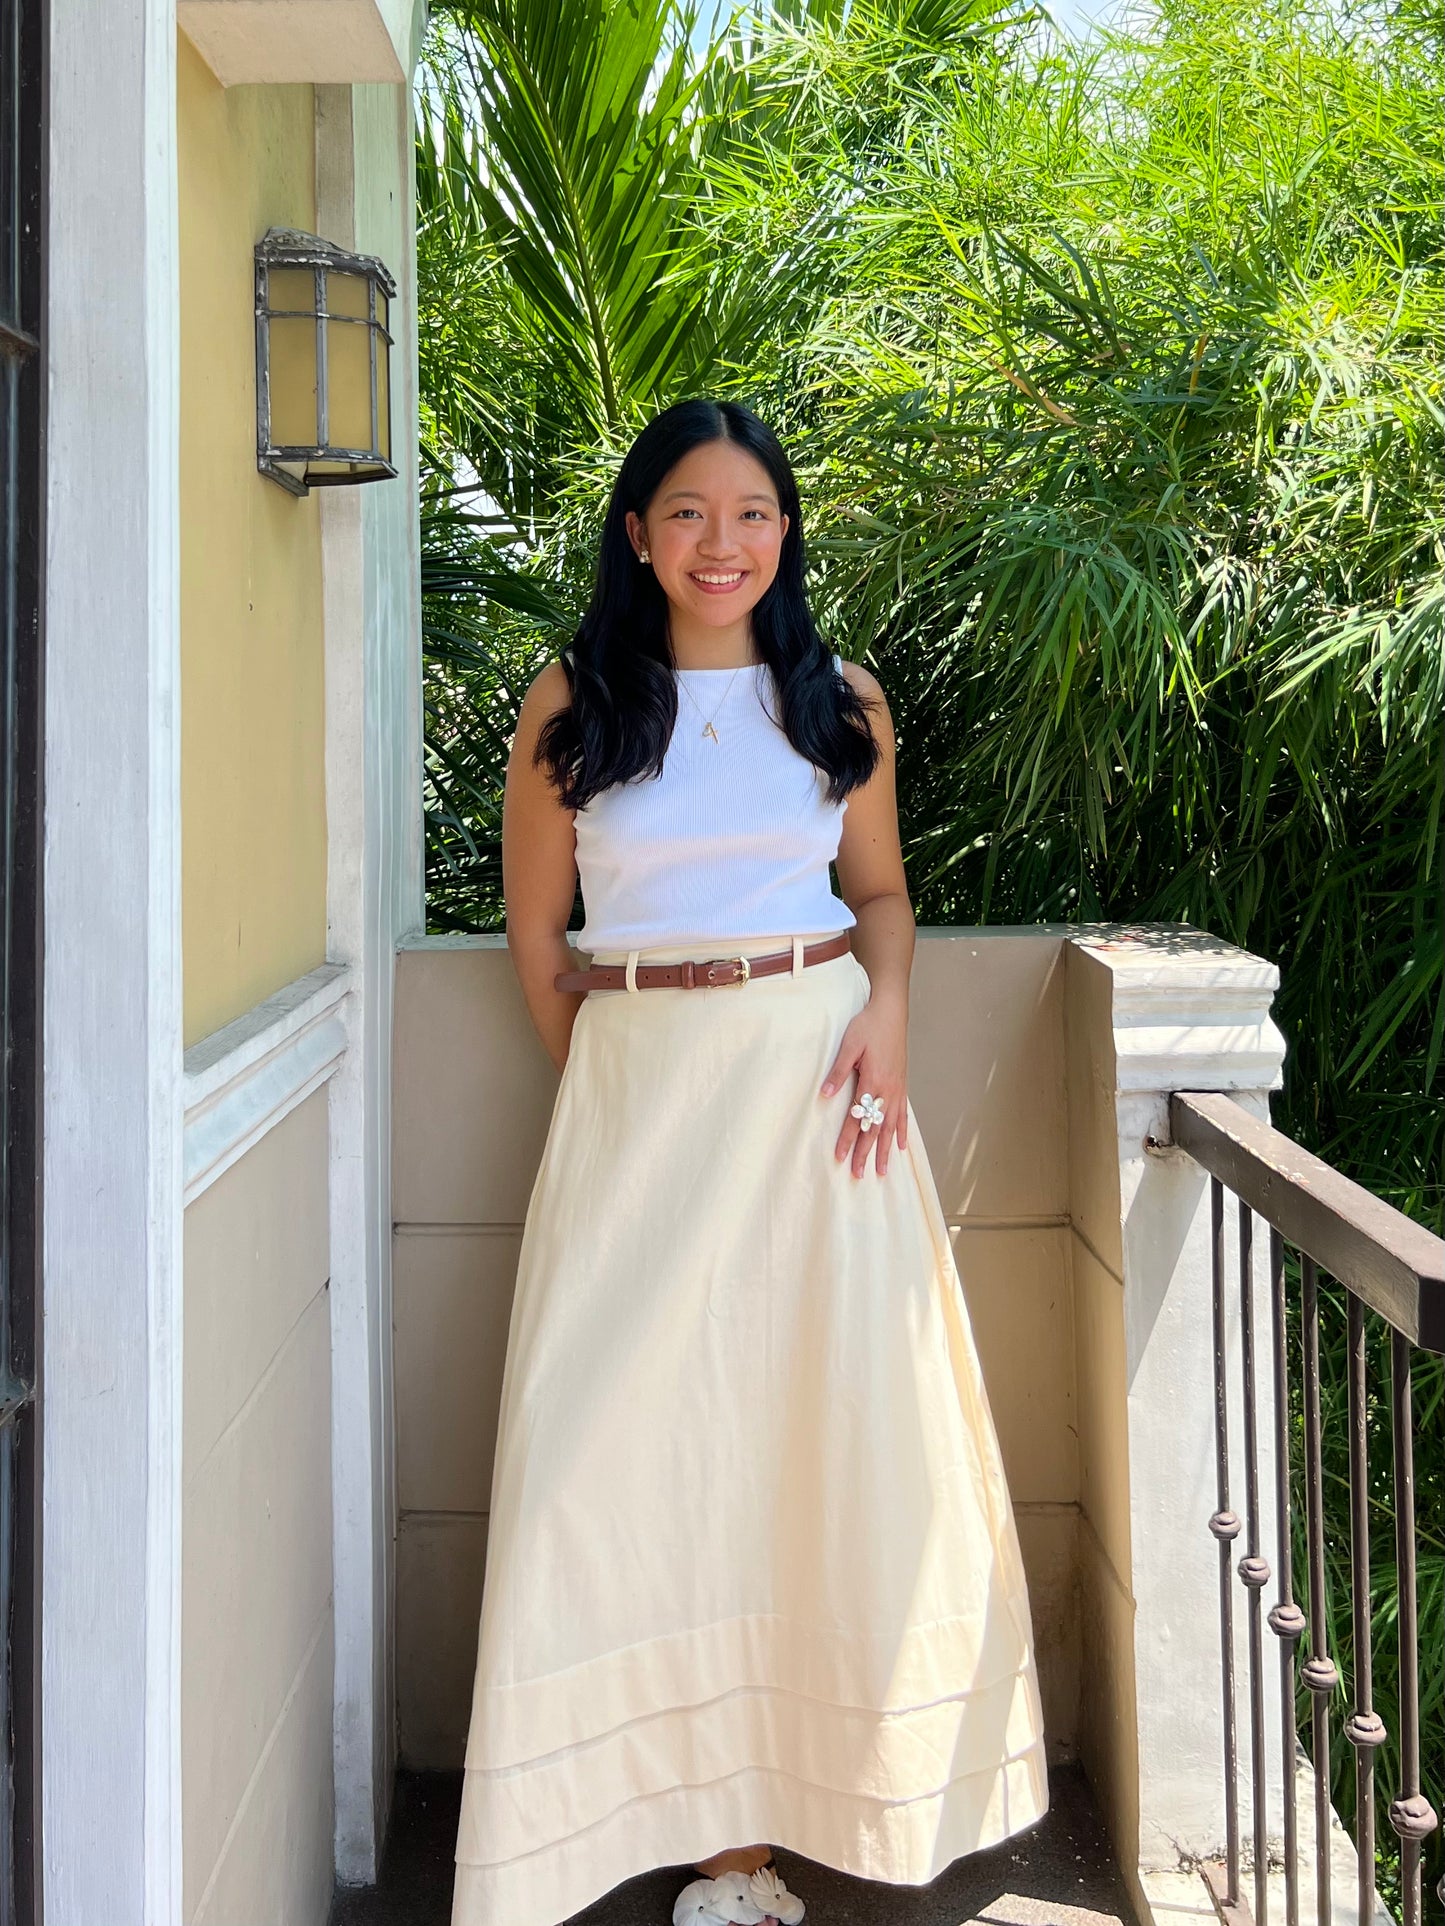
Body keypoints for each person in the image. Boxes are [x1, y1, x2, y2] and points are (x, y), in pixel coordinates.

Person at [451, 398, 1048, 1926]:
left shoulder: (836, 699)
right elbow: (537, 933)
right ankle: (656, 1824)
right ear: (637, 533)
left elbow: (885, 896)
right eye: (690, 514)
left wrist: (890, 1014)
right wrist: (609, 1077)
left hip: (818, 1091)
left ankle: (796, 1815)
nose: (724, 543)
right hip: (640, 1093)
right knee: (617, 1461)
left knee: (825, 1437)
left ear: (785, 533)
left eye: (754, 514)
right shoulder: (571, 701)